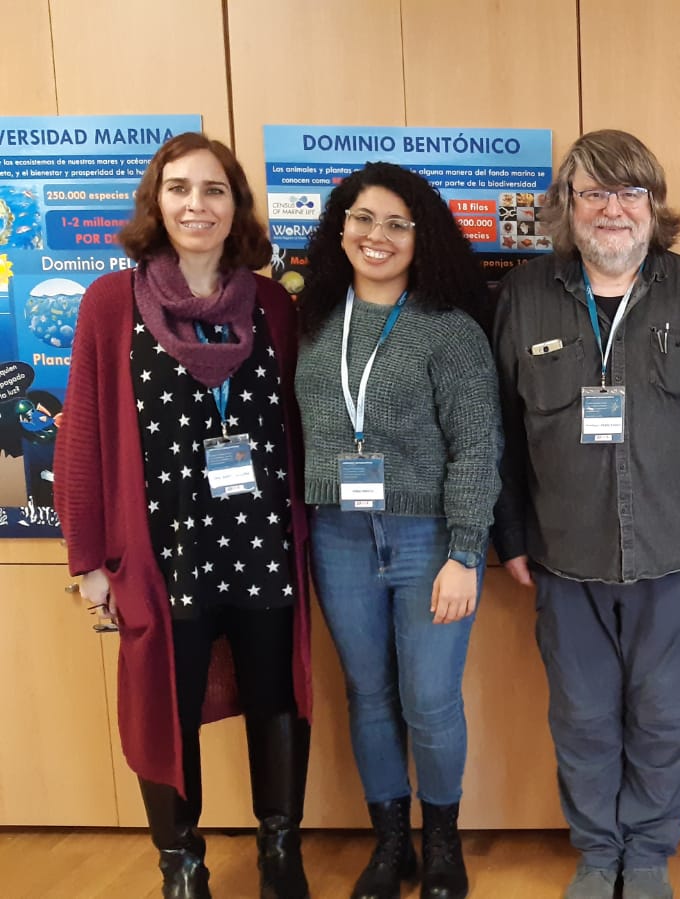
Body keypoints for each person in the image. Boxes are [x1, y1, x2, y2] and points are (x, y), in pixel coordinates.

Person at [56, 132, 313, 899]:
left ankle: (279, 851)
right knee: (163, 704)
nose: (196, 204)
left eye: (213, 189)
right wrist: (88, 560)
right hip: (165, 551)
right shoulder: (113, 303)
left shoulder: (271, 303)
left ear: (236, 205)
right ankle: (182, 863)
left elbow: (297, 425)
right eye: (179, 188)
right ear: (156, 202)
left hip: (264, 542)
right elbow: (83, 436)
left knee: (276, 695)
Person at [492, 129, 680, 899]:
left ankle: (650, 851)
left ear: (653, 206)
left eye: (630, 192)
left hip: (675, 550)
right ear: (566, 205)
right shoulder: (523, 297)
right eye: (593, 191)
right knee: (582, 716)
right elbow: (500, 429)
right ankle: (599, 851)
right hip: (564, 555)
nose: (612, 209)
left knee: (664, 714)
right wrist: (509, 536)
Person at [295, 162, 500, 899]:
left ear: (422, 237)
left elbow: (477, 446)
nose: (376, 235)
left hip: (427, 540)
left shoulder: (449, 330)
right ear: (339, 228)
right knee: (369, 694)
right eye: (362, 218)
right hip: (338, 536)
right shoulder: (313, 322)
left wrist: (465, 552)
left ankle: (441, 841)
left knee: (430, 698)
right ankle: (390, 844)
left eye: (396, 223)